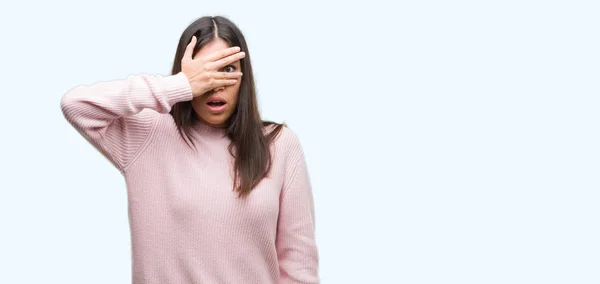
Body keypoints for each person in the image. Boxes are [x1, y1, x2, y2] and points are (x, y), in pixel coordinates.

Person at [60, 15, 319, 284]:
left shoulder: (279, 145)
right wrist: (180, 86)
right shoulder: (148, 134)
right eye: (204, 71)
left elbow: (298, 267)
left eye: (227, 69)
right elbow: (76, 105)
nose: (215, 83)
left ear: (244, 77)